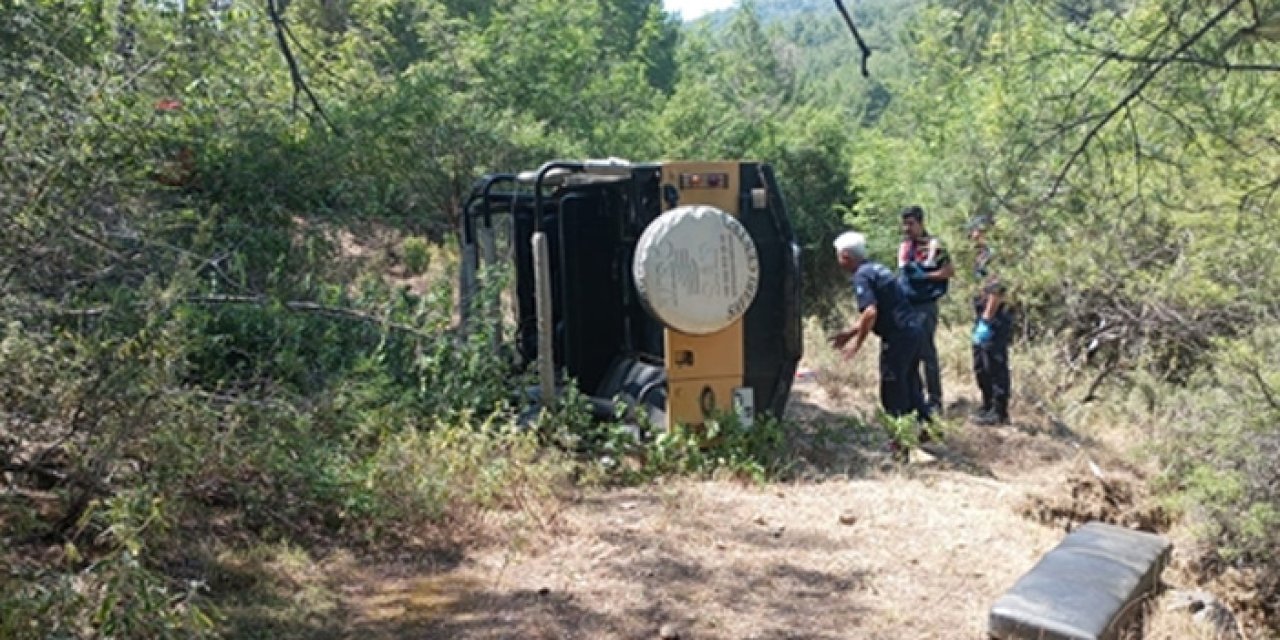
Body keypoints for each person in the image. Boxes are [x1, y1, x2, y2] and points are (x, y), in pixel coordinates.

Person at [830, 230, 932, 424]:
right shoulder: (876, 268)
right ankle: (924, 429)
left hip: (898, 338)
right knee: (910, 384)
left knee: (893, 389)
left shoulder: (862, 275)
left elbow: (870, 312)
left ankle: (902, 442)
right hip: (912, 332)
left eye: (838, 256)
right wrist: (850, 334)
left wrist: (857, 344)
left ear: (846, 256)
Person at [896, 205, 953, 416]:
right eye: (904, 224)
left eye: (911, 223)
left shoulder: (934, 245)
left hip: (925, 305)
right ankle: (915, 395)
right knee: (909, 352)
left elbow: (949, 271)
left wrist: (926, 276)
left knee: (926, 351)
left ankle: (935, 399)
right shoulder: (904, 247)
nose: (907, 228)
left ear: (921, 223)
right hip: (907, 304)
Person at [968, 216, 1013, 425]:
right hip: (981, 314)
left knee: (994, 363)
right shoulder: (980, 255)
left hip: (995, 316)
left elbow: (997, 289)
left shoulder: (996, 256)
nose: (973, 234)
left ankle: (999, 411)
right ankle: (987, 404)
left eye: (977, 230)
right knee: (980, 363)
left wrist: (986, 319)